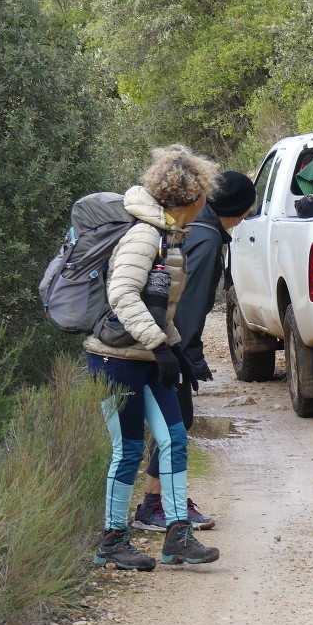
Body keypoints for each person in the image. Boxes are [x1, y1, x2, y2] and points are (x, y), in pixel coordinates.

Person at [88, 144, 221, 571]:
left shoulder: (169, 235)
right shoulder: (146, 235)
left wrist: (174, 348)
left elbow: (159, 306)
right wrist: (160, 346)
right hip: (114, 359)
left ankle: (177, 537)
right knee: (127, 450)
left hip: (145, 356)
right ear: (194, 197)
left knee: (174, 439)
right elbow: (123, 295)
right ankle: (112, 541)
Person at [133, 170, 256, 533]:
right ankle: (155, 505)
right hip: (167, 346)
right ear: (233, 209)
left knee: (173, 424)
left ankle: (156, 501)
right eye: (246, 209)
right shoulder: (204, 240)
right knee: (176, 424)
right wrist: (183, 355)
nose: (247, 216)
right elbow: (187, 306)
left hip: (158, 341)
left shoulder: (195, 229)